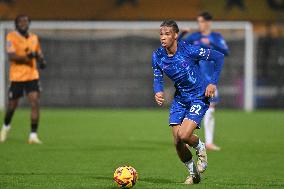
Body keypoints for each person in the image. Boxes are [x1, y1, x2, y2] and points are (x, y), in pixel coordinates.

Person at [152, 20, 224, 184]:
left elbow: (218, 57)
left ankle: (201, 147)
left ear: (176, 35)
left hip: (198, 96)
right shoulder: (157, 55)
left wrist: (213, 82)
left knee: (184, 135)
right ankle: (194, 174)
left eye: (167, 34)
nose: (163, 37)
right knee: (177, 142)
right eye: (161, 34)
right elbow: (157, 77)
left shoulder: (189, 50)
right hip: (180, 99)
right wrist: (158, 91)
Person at [178, 12, 229, 151]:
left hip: (211, 80)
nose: (199, 24)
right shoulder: (194, 37)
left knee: (211, 110)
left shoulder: (216, 37)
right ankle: (186, 137)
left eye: (201, 22)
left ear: (208, 22)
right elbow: (178, 46)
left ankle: (209, 142)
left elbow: (225, 51)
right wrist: (182, 34)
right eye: (198, 21)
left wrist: (211, 43)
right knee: (190, 107)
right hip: (195, 79)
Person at [0, 15, 47, 144]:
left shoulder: (34, 38)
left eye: (26, 21)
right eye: (20, 21)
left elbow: (39, 54)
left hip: (32, 76)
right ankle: (5, 127)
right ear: (16, 24)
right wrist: (28, 57)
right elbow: (12, 56)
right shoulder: (11, 37)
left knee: (34, 102)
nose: (23, 23)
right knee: (12, 106)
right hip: (17, 77)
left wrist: (42, 61)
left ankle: (33, 135)